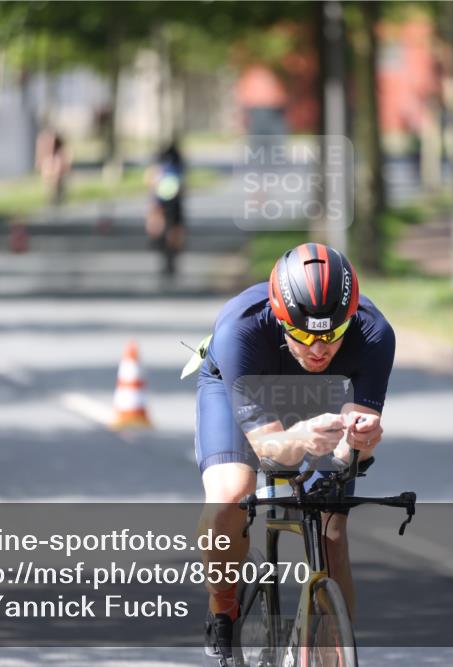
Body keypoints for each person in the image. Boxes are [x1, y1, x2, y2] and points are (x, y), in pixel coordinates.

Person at [191, 242, 395, 665]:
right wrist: (300, 438)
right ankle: (222, 603)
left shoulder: (374, 334)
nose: (318, 349)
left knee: (330, 528)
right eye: (303, 336)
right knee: (232, 494)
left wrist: (361, 439)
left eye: (332, 335)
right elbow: (269, 449)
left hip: (321, 399)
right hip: (246, 390)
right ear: (281, 318)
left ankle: (333, 652)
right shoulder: (240, 331)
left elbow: (353, 443)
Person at [144, 143, 185, 275]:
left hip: (160, 203)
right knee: (174, 230)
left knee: (161, 230)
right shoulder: (178, 168)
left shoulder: (158, 169)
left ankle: (165, 250)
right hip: (174, 203)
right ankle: (172, 254)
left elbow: (151, 185)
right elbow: (183, 188)